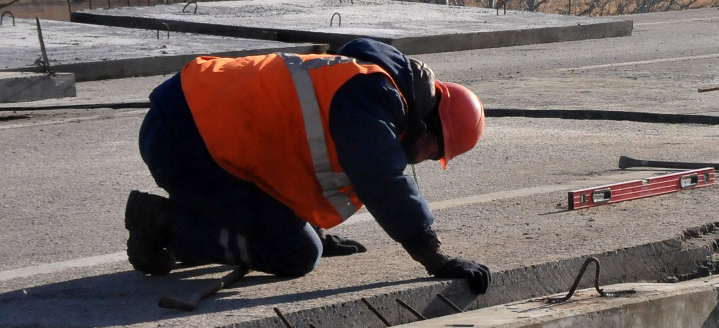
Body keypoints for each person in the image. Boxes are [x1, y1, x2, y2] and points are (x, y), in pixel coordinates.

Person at [125, 38, 492, 294]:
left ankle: (192, 230)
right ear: (429, 122)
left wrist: (314, 228)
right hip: (187, 141)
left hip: (191, 127)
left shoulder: (366, 85)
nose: (425, 159)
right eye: (434, 150)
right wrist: (435, 258)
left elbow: (296, 154)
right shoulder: (375, 96)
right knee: (296, 253)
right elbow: (381, 179)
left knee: (302, 239)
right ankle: (163, 224)